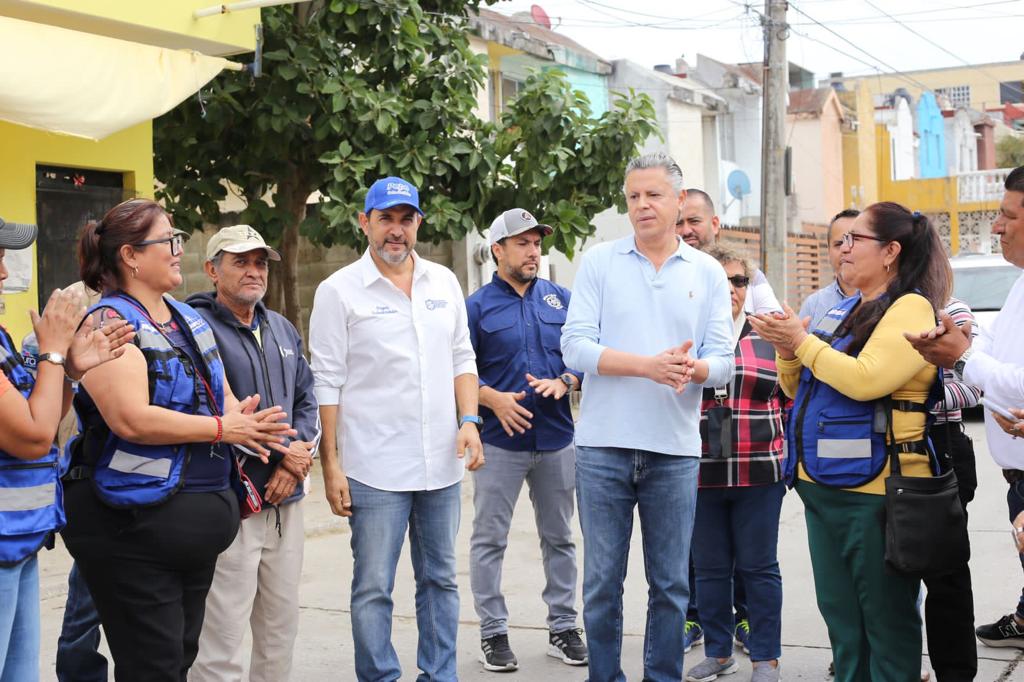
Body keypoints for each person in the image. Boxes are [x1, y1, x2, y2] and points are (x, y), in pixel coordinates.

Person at [60, 198, 296, 681]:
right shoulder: (110, 322)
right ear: (130, 256)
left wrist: (249, 422)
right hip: (131, 527)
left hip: (192, 528)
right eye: (168, 240)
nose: (176, 250)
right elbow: (131, 419)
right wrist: (221, 429)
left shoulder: (184, 318)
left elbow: (222, 397)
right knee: (154, 667)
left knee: (177, 661)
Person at [749, 202, 949, 682]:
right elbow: (801, 388)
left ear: (890, 252)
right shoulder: (844, 307)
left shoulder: (910, 306)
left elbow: (866, 380)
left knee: (885, 620)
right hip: (825, 488)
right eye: (841, 239)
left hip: (878, 494)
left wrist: (800, 341)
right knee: (842, 618)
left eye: (855, 239)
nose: (843, 247)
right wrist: (787, 350)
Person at [561, 152, 735, 682]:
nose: (641, 205)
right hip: (602, 448)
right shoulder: (599, 261)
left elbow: (724, 363)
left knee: (670, 587)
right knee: (600, 584)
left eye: (653, 195)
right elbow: (574, 348)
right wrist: (648, 366)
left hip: (674, 451)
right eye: (633, 196)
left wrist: (692, 367)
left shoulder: (706, 272)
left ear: (680, 202)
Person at [309, 176, 483, 682]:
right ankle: (380, 676)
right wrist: (332, 466)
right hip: (373, 468)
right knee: (373, 588)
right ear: (364, 222)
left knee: (441, 582)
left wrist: (469, 419)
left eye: (406, 220)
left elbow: (462, 356)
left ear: (418, 225)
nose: (396, 231)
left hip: (441, 465)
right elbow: (328, 381)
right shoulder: (338, 291)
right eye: (385, 218)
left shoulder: (444, 282)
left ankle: (439, 674)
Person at [0, 217, 132, 682]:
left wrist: (69, 371)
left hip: (18, 539)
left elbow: (42, 421)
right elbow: (34, 436)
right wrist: (54, 353)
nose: (3, 273)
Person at [189, 225, 321, 682]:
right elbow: (206, 407)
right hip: (232, 502)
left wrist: (299, 456)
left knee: (279, 631)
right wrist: (286, 455)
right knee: (221, 638)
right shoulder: (194, 327)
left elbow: (307, 398)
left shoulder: (280, 326)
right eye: (240, 261)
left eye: (260, 262)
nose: (254, 271)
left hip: (287, 500)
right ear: (211, 270)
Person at [905, 166, 1024, 651]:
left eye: (1006, 216)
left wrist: (962, 357)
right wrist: (966, 338)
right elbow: (997, 349)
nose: (995, 226)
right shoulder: (1018, 285)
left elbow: (1013, 385)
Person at [466, 208, 586, 672]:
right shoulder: (475, 307)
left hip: (557, 439)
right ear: (498, 250)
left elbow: (584, 353)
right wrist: (490, 400)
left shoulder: (562, 300)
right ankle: (493, 633)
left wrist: (570, 380)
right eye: (522, 243)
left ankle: (563, 627)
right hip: (499, 443)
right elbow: (455, 375)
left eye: (536, 242)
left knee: (560, 538)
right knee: (488, 540)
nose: (533, 251)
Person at [676, 191, 778, 654]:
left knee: (756, 565)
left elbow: (790, 393)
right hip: (698, 468)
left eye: (739, 280)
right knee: (703, 563)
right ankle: (707, 635)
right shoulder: (684, 329)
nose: (731, 287)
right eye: (723, 280)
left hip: (758, 470)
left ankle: (758, 643)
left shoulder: (766, 330)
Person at [676, 188, 781, 315]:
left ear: (714, 224)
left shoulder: (748, 275)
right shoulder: (669, 275)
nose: (686, 231)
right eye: (678, 223)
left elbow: (774, 324)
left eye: (694, 221)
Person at [800, 209, 860, 328]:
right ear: (828, 251)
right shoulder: (814, 305)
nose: (845, 249)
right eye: (838, 244)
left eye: (854, 242)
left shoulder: (889, 301)